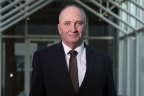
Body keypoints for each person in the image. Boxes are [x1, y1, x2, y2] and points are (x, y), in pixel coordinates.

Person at [29, 4, 116, 96]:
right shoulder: (42, 58)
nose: (73, 29)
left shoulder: (103, 60)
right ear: (59, 28)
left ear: (85, 28)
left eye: (78, 23)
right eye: (67, 23)